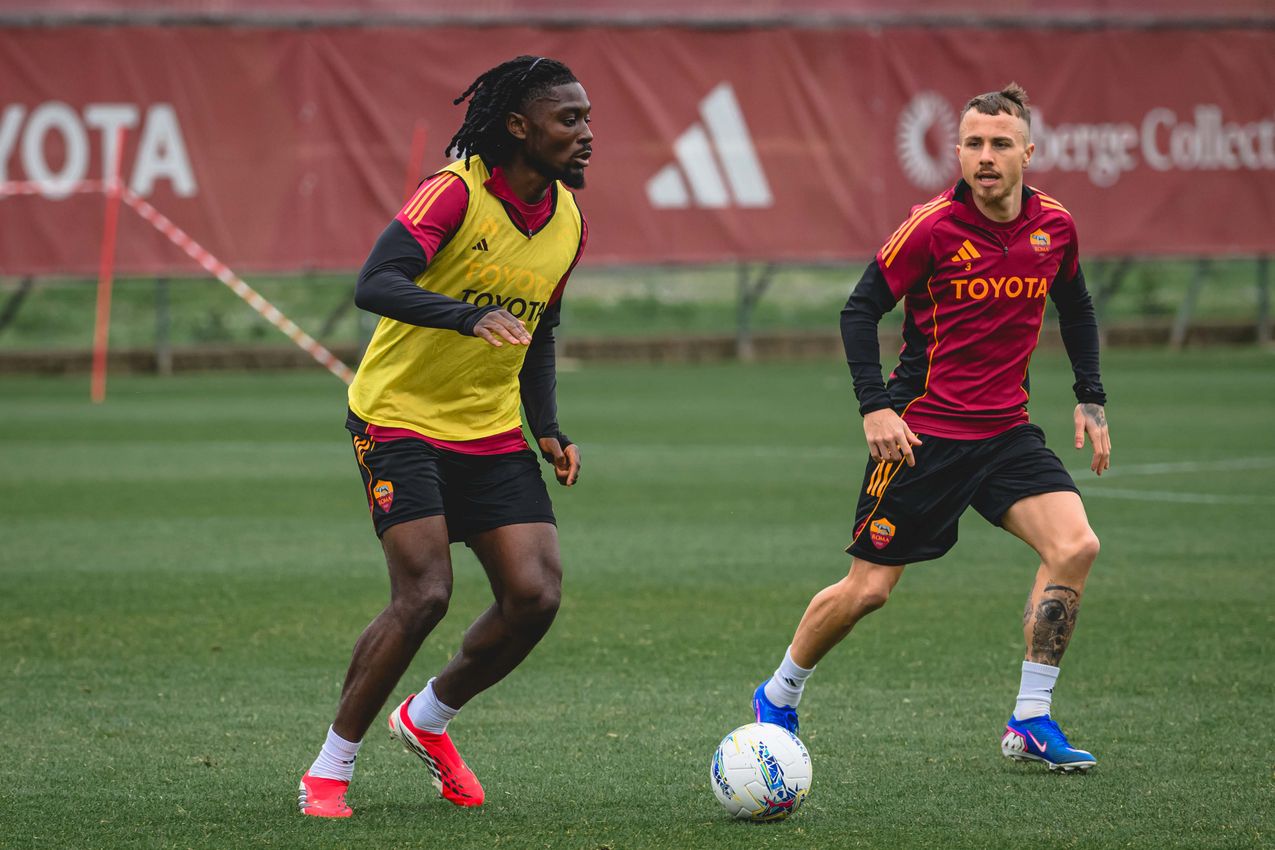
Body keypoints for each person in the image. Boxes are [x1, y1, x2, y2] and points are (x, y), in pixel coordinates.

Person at [752, 83, 1110, 773]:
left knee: (1074, 546)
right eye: (972, 143)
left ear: (1027, 153)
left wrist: (1089, 396)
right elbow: (858, 312)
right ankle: (778, 693)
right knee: (868, 591)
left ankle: (1029, 720)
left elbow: (1076, 302)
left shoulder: (1054, 227)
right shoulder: (930, 227)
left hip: (1006, 433)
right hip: (923, 434)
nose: (984, 156)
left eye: (999, 144)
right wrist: (874, 407)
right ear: (956, 151)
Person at [298, 55, 592, 817]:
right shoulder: (453, 194)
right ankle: (329, 768)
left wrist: (548, 429)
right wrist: (464, 313)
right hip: (397, 417)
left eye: (587, 118)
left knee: (535, 594)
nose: (586, 133)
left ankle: (425, 719)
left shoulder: (566, 219)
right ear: (518, 127)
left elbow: (540, 331)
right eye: (569, 119)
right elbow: (375, 281)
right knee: (425, 593)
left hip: (489, 428)